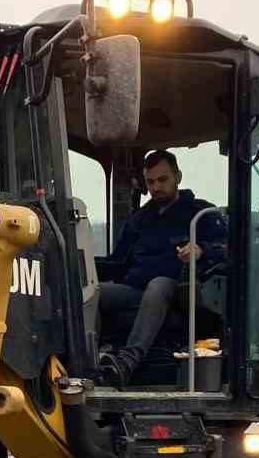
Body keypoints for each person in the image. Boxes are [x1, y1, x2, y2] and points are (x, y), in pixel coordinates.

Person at [95, 149, 227, 385]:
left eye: (163, 180)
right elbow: (117, 263)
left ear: (178, 177)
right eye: (151, 181)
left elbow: (228, 249)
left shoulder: (202, 213)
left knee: (158, 285)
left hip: (179, 293)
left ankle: (126, 363)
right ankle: (90, 361)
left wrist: (201, 250)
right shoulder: (139, 220)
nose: (156, 187)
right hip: (136, 291)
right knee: (92, 293)